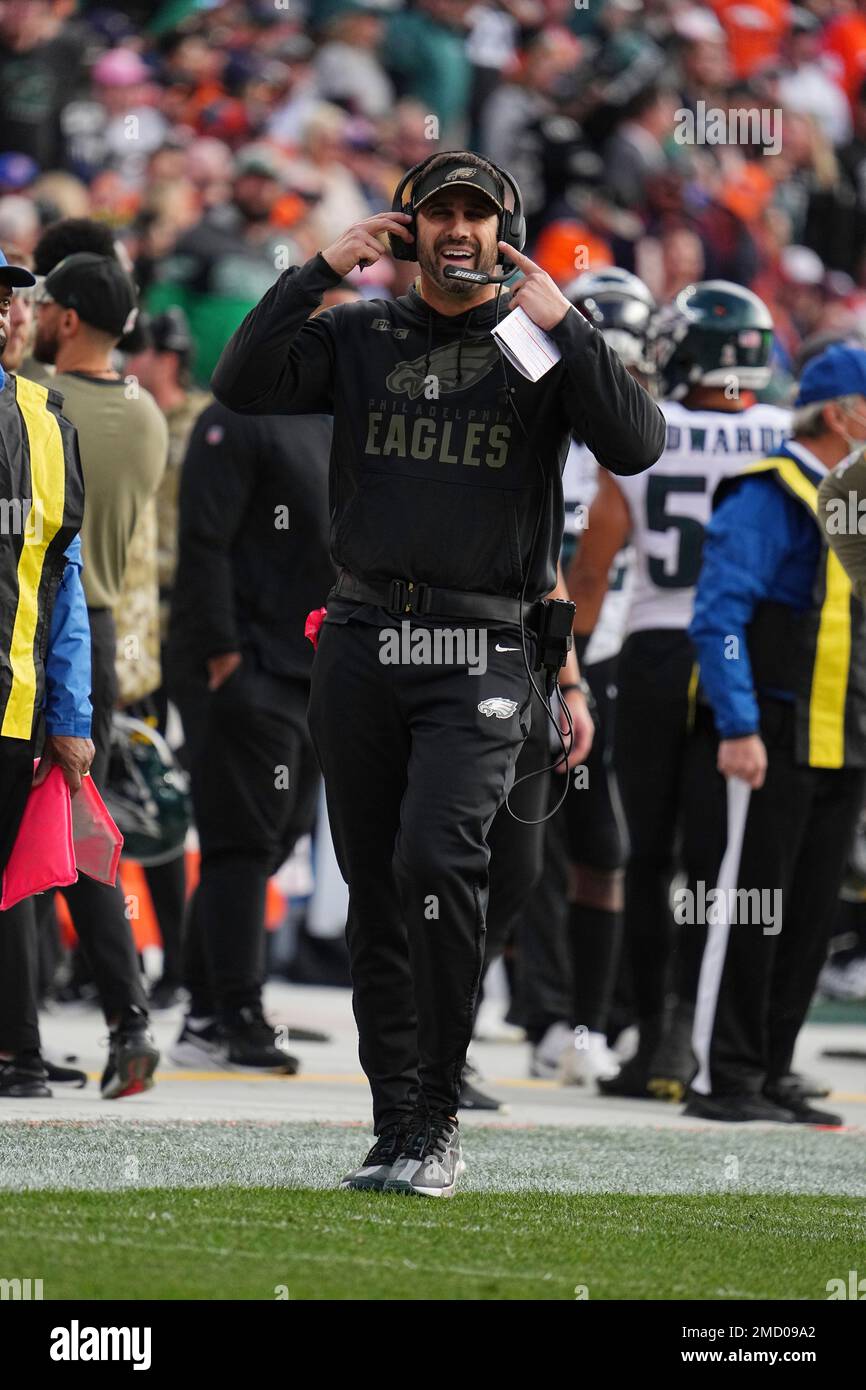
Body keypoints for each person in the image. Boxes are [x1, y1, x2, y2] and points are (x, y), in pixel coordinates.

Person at [212, 149, 664, 1195]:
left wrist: (568, 323)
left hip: (483, 646)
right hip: (365, 634)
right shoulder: (362, 330)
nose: (457, 229)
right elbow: (240, 381)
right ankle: (396, 1121)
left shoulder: (537, 344)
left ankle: (437, 1107)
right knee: (376, 888)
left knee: (436, 856)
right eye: (439, 212)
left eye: (477, 213)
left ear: (502, 229)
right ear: (408, 226)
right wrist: (316, 269)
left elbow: (634, 444)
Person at [567, 281, 790, 1101]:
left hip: (657, 654)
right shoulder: (786, 434)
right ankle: (710, 1031)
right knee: (721, 866)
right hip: (748, 662)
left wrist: (570, 667)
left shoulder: (646, 430)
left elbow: (593, 568)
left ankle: (659, 1032)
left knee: (649, 854)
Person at [166, 291, 348, 1073]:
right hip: (247, 659)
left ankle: (206, 1008)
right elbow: (201, 542)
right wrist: (221, 654)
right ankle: (233, 1010)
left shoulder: (333, 419)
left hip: (309, 663)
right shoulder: (234, 415)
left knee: (273, 839)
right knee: (243, 839)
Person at [687, 344, 866, 1124]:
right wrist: (740, 724)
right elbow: (719, 615)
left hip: (841, 735)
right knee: (753, 905)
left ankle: (772, 1065)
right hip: (777, 729)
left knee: (810, 913)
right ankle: (726, 1077)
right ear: (842, 414)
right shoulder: (772, 489)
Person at [31, 250, 167, 1097]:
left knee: (31, 837)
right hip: (106, 633)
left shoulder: (44, 405)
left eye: (42, 303)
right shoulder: (146, 413)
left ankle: (24, 1027)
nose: (30, 316)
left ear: (69, 320)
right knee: (84, 847)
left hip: (48, 622)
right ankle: (130, 1021)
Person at [0, 245, 94, 1098]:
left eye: (9, 298)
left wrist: (72, 712)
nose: (6, 313)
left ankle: (17, 1054)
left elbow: (65, 584)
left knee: (11, 886)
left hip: (14, 699)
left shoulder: (45, 420)